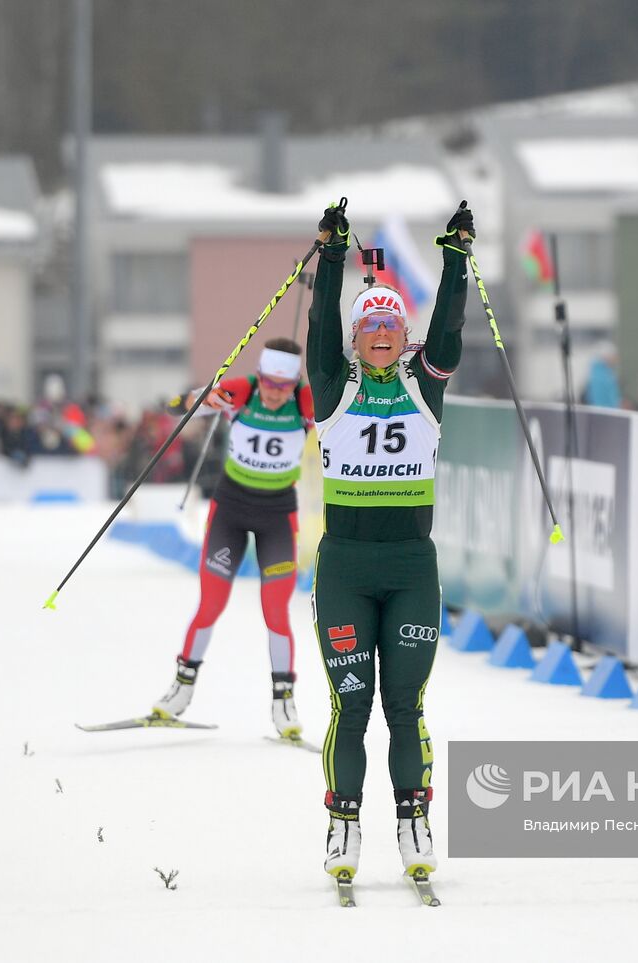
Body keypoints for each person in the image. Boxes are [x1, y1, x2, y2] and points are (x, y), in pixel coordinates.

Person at [306, 201, 472, 883]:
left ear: (404, 336)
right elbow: (319, 322)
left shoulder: (422, 385)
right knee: (352, 705)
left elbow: (451, 331)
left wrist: (457, 257)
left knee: (405, 707)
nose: (380, 334)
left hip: (409, 569)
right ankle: (342, 827)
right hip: (345, 567)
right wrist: (333, 254)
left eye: (391, 326)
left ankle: (414, 820)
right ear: (355, 336)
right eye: (370, 325)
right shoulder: (331, 385)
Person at [151, 337, 316, 741]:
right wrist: (190, 400)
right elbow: (192, 404)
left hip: (278, 514)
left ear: (294, 382)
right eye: (270, 383)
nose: (276, 393)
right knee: (210, 604)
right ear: (261, 376)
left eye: (284, 385)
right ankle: (180, 690)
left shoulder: (306, 401)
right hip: (231, 510)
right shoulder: (243, 391)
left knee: (276, 611)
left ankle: (283, 704)